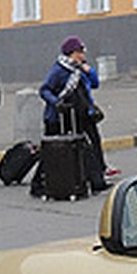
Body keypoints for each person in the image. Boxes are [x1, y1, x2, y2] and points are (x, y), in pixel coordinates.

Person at [37, 36, 111, 193]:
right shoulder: (59, 70)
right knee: (52, 151)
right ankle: (39, 183)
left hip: (82, 113)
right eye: (81, 52)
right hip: (60, 116)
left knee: (92, 143)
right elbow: (44, 90)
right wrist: (57, 102)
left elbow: (95, 84)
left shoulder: (79, 68)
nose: (84, 55)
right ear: (73, 53)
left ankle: (97, 178)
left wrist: (89, 71)